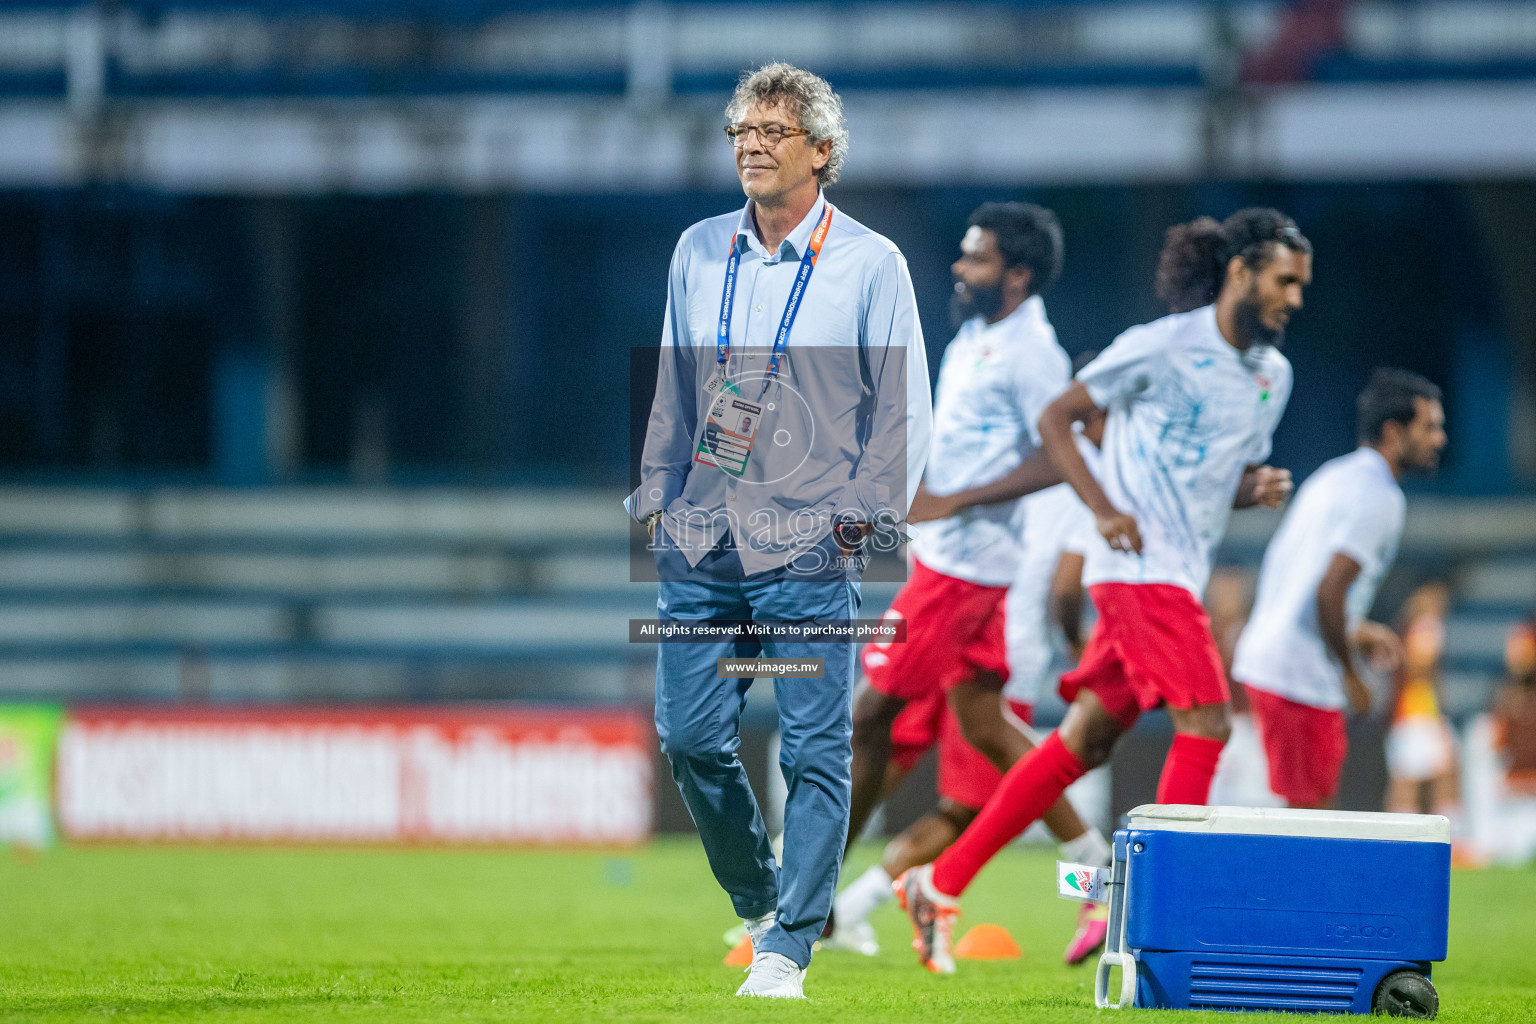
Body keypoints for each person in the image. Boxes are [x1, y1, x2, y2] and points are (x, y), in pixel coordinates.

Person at [899, 207, 1309, 973]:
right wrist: (1103, 509)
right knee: (1209, 724)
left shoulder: (1270, 377)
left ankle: (939, 882)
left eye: (1300, 285)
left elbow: (1216, 481)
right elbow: (1060, 417)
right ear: (1241, 273)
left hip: (1172, 570)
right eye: (1284, 281)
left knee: (1077, 745)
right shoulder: (1159, 348)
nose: (1294, 298)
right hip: (1136, 574)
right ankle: (1160, 929)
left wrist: (1257, 488)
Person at [626, 62, 932, 999]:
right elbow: (678, 382)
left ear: (822, 152)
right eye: (740, 133)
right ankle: (763, 897)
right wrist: (655, 494)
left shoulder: (872, 264)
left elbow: (903, 409)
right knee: (688, 736)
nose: (750, 146)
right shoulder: (699, 248)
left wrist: (860, 524)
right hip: (705, 539)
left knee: (812, 750)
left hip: (808, 545)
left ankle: (789, 947)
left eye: (772, 132)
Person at [832, 203, 1108, 968]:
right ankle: (1099, 873)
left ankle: (813, 898)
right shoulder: (976, 339)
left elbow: (1057, 462)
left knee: (879, 727)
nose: (960, 268)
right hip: (958, 570)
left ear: (1016, 274)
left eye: (977, 259)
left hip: (969, 579)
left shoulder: (1034, 360)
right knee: (982, 749)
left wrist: (951, 502)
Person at [1233, 369, 1446, 809]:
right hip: (1299, 676)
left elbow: (1305, 582)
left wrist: (1361, 629)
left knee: (1303, 816)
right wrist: (1352, 674)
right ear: (1393, 431)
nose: (1439, 438)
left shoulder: (1335, 475)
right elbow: (1328, 592)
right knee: (1308, 824)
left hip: (1273, 660)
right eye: (1429, 427)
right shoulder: (1380, 497)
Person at [1384, 583, 1462, 824]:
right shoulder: (1422, 631)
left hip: (1426, 709)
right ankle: (1399, 829)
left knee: (1443, 776)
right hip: (1413, 711)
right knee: (1407, 780)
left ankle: (1448, 832)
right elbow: (1420, 668)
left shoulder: (1419, 631)